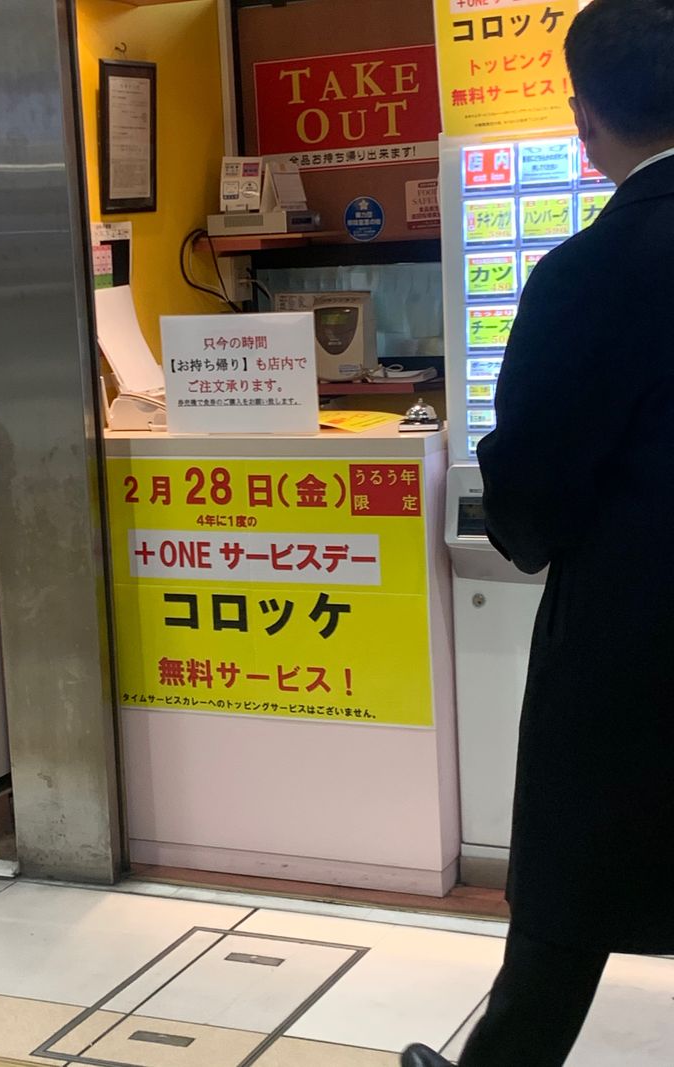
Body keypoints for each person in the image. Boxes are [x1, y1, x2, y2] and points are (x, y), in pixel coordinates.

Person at [403, 1, 674, 1064]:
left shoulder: (587, 273)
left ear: (585, 119)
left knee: (565, 917)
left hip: (628, 651)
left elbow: (527, 492)